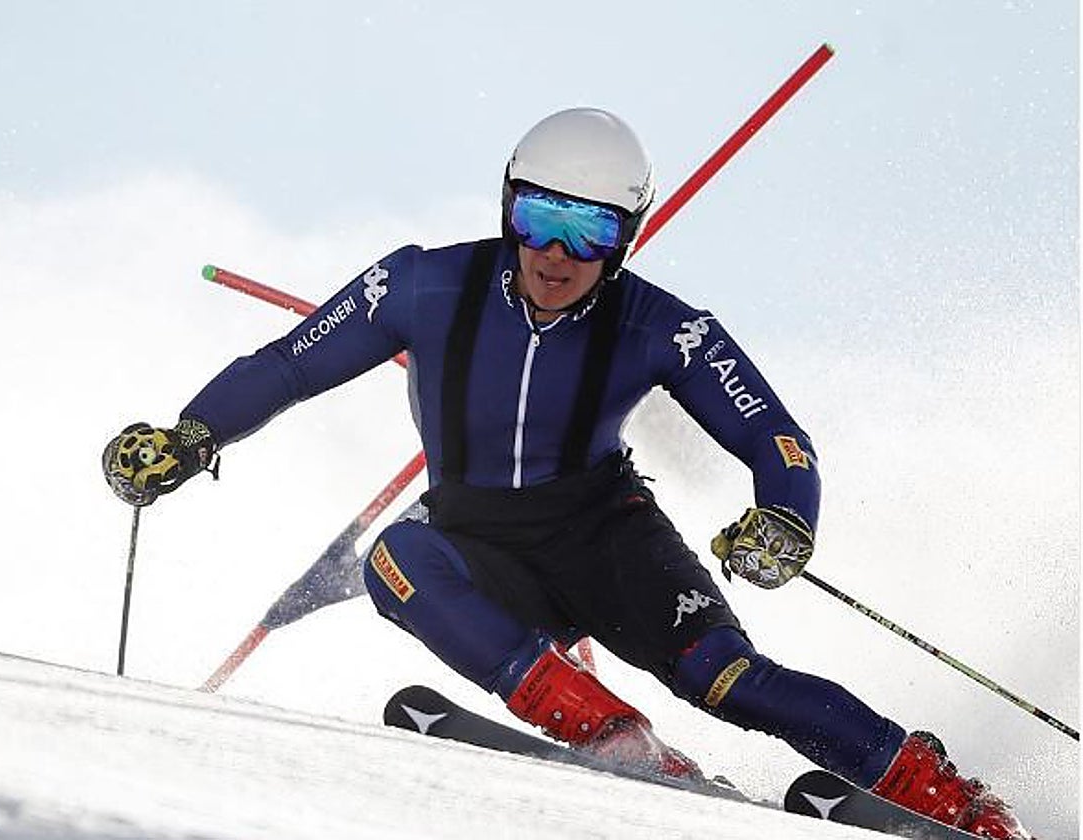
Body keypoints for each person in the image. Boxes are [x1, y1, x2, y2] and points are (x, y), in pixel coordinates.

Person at [103, 108, 1031, 838]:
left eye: (588, 232)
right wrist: (191, 436)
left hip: (607, 535)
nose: (557, 252)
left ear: (624, 237)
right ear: (507, 203)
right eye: (539, 217)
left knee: (727, 678)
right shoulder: (424, 285)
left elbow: (777, 437)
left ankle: (950, 799)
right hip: (478, 543)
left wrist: (784, 519)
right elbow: (292, 364)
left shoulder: (660, 324)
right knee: (395, 558)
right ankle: (614, 739)